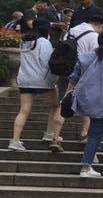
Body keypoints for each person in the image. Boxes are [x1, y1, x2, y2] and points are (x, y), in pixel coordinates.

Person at [68, 31, 103, 177]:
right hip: (100, 100)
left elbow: (74, 77)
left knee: (101, 126)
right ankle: (86, 166)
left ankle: (93, 152)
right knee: (95, 133)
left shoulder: (84, 56)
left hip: (83, 97)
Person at [9, 19, 64, 152]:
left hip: (25, 79)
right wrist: (54, 80)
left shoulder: (24, 41)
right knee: (56, 105)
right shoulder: (44, 42)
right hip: (41, 80)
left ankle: (15, 140)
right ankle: (49, 133)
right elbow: (47, 63)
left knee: (23, 111)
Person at [66, 14, 103, 140]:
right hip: (82, 72)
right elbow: (96, 58)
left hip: (66, 69)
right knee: (88, 103)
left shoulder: (72, 31)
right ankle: (84, 134)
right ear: (100, 26)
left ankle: (54, 135)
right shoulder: (94, 36)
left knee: (64, 101)